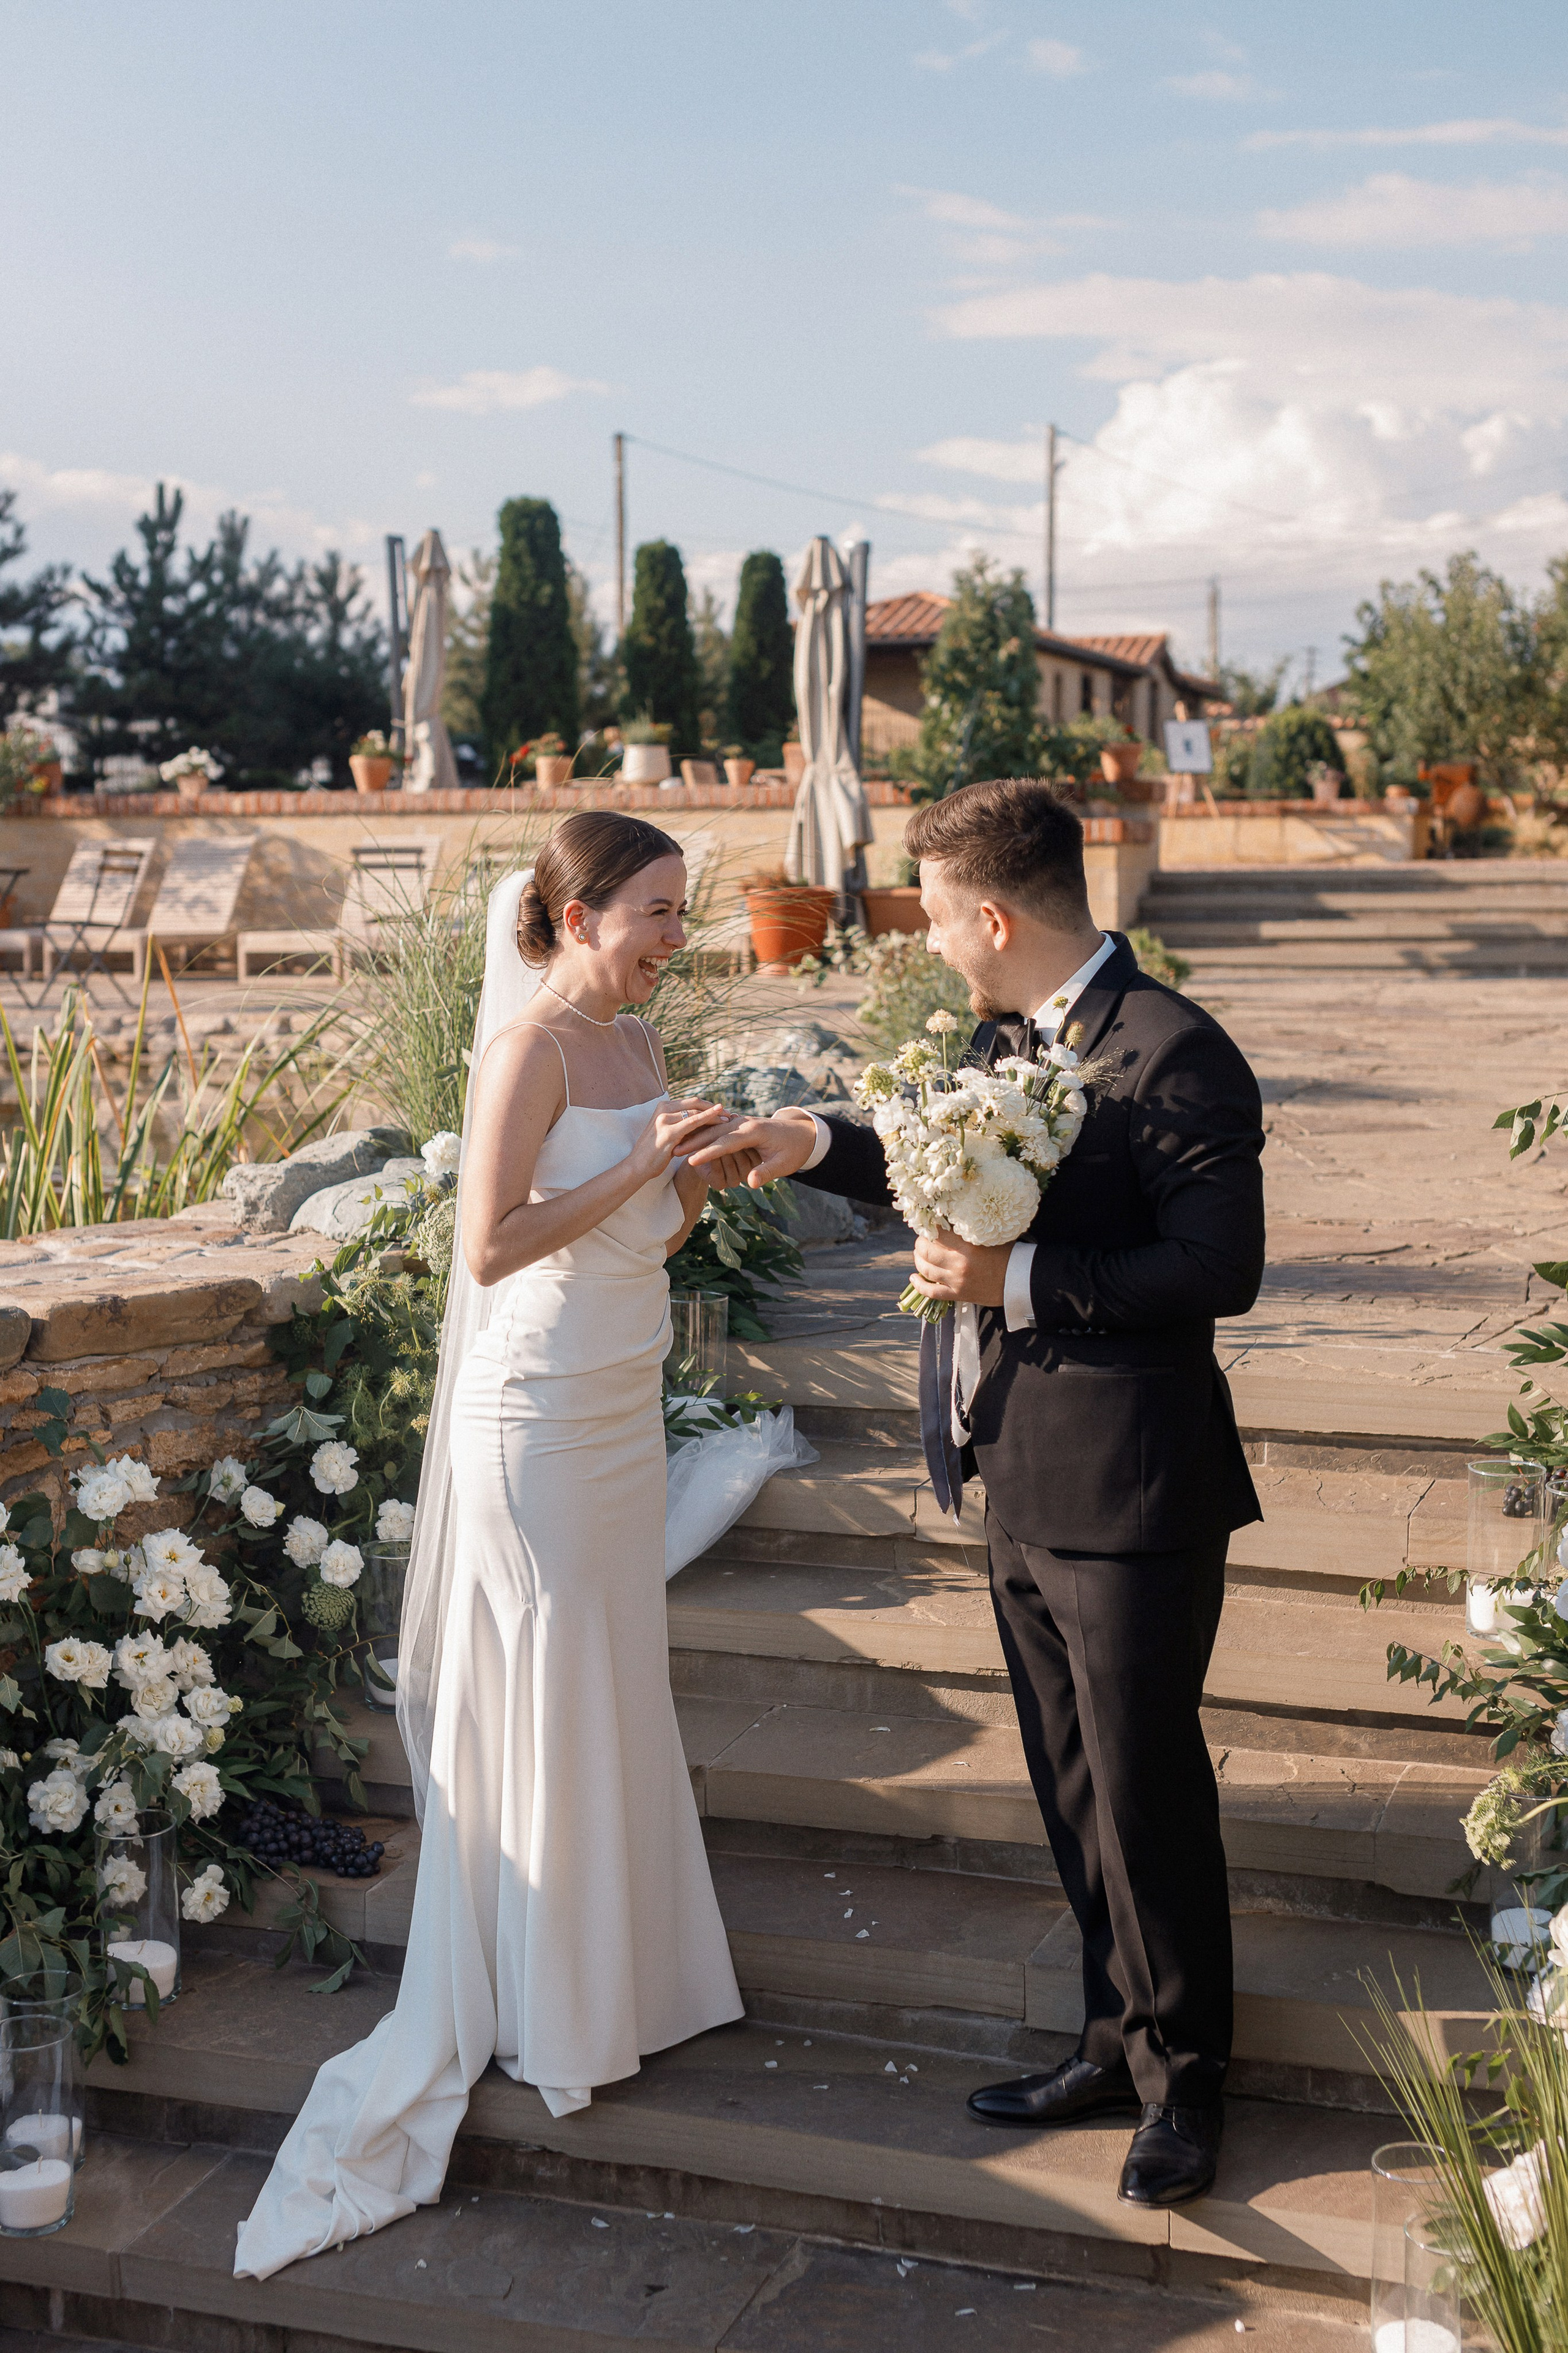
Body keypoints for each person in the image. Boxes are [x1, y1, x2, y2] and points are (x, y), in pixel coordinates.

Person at [688, 778, 1265, 2208]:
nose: (930, 942)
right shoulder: (1001, 1036)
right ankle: (1107, 2042)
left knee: (1143, 1790)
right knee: (1071, 1781)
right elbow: (935, 1150)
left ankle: (1184, 2086)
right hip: (1014, 1464)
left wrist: (1017, 1277)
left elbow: (1217, 1268)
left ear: (994, 917)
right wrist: (809, 1139)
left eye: (937, 918)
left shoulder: (1173, 1052)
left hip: (1129, 1486)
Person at [235, 813, 750, 2279]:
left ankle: (623, 1979)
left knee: (614, 1675)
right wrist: (635, 1165)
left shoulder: (637, 1041)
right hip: (534, 1417)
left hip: (620, 1399)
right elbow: (491, 1245)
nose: (675, 936)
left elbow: (646, 1232)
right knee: (549, 1678)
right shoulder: (525, 1050)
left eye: (681, 910)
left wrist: (697, 1170)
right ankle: (543, 2003)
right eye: (655, 911)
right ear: (577, 917)